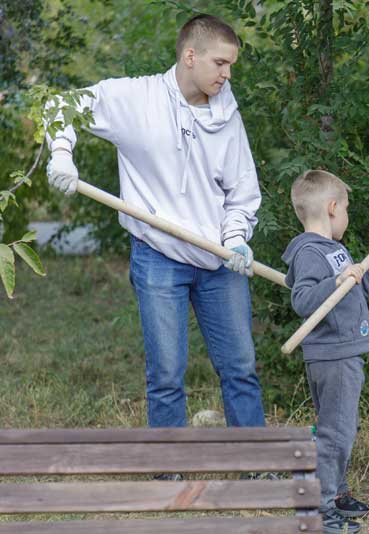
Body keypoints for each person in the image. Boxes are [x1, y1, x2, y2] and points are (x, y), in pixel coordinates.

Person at [45, 14, 267, 473]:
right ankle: (169, 467)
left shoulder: (227, 113)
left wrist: (237, 239)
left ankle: (257, 462)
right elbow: (61, 106)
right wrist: (63, 154)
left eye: (230, 66)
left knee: (241, 368)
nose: (227, 74)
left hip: (218, 261)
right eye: (220, 63)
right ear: (190, 56)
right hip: (157, 259)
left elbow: (241, 191)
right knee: (166, 374)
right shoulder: (135, 99)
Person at [282, 170, 369, 534]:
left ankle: (335, 494)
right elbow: (302, 299)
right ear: (333, 208)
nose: (348, 217)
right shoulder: (309, 253)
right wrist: (335, 281)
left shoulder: (334, 250)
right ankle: (320, 510)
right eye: (347, 209)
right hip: (332, 354)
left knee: (336, 429)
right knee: (337, 433)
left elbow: (359, 288)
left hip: (343, 352)